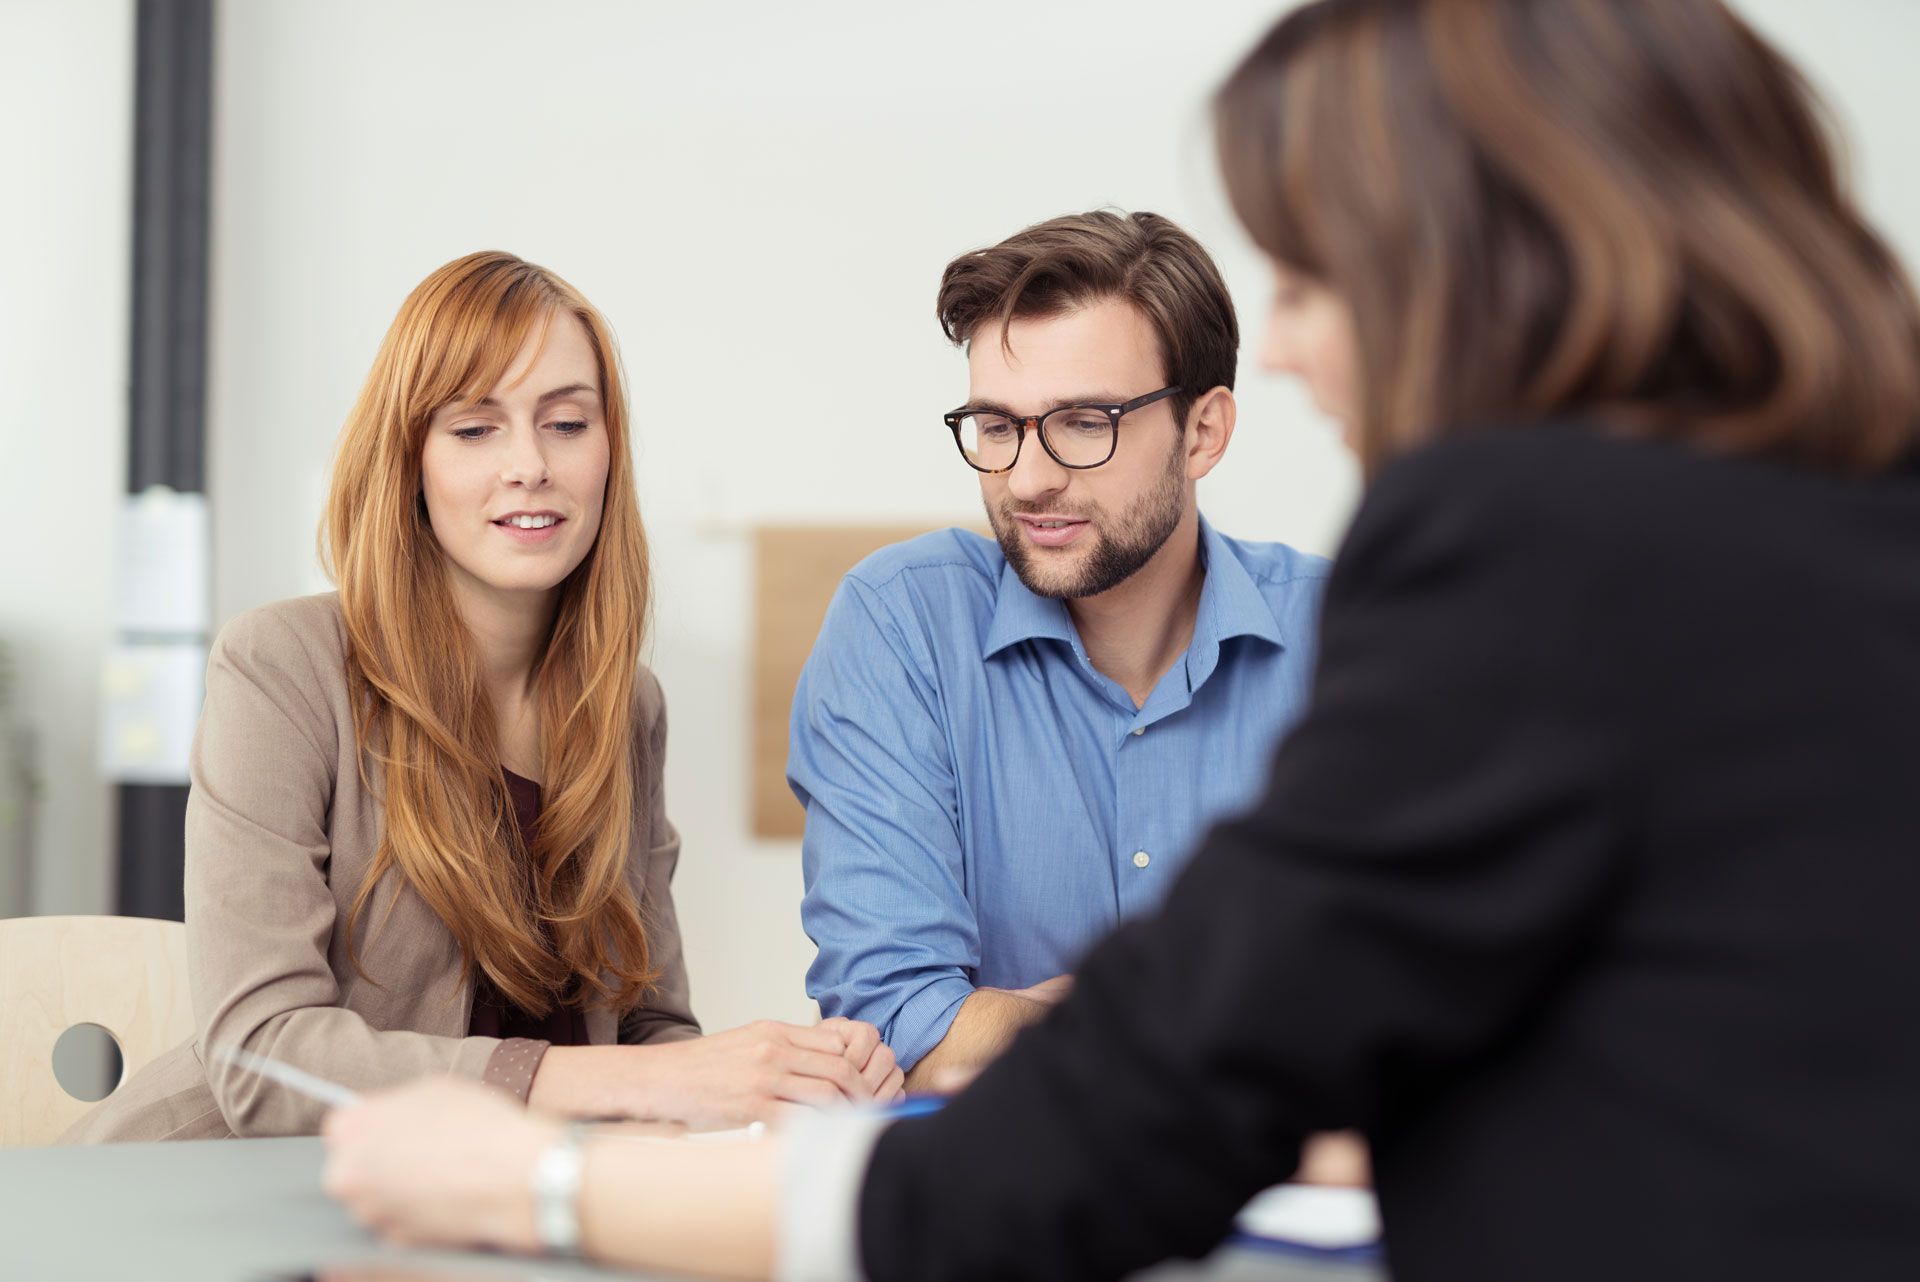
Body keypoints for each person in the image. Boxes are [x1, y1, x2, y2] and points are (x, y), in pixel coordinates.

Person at [321, 1, 1920, 1279]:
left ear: (1487, 256)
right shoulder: (1847, 524)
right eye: (995, 426)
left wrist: (538, 1186)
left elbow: (1141, 1110)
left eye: (1316, 272)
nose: (1294, 339)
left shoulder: (1517, 549)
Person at [66, 251, 899, 1143]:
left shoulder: (626, 709)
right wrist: (653, 1077)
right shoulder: (282, 665)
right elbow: (261, 1057)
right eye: (474, 429)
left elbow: (648, 1029)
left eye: (567, 423)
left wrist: (788, 1080)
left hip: (493, 1214)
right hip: (218, 1203)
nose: (531, 464)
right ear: (410, 460)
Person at [792, 210, 1329, 1090]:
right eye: (997, 425)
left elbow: (1420, 1001)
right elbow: (894, 1024)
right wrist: (1226, 1018)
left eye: (1084, 422)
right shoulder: (902, 624)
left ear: (1204, 432)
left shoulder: (1339, 641)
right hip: (998, 1214)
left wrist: (1023, 1023)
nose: (1028, 478)